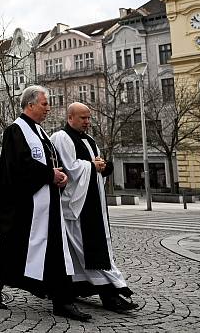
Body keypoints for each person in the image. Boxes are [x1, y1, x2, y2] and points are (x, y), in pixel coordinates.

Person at [0, 85, 90, 322]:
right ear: (30, 105)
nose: (48, 108)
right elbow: (17, 167)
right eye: (45, 103)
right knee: (13, 247)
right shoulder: (15, 131)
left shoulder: (41, 133)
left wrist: (58, 176)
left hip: (46, 203)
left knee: (54, 250)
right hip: (24, 205)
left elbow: (49, 164)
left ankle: (62, 300)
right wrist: (48, 175)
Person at [50, 103, 137, 312]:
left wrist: (102, 166)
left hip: (93, 203)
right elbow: (71, 168)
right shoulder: (61, 137)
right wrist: (92, 165)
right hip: (75, 206)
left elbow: (94, 165)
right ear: (70, 117)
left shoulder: (89, 140)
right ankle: (110, 294)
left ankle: (75, 287)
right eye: (83, 118)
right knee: (85, 250)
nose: (87, 122)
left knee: (85, 250)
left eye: (89, 118)